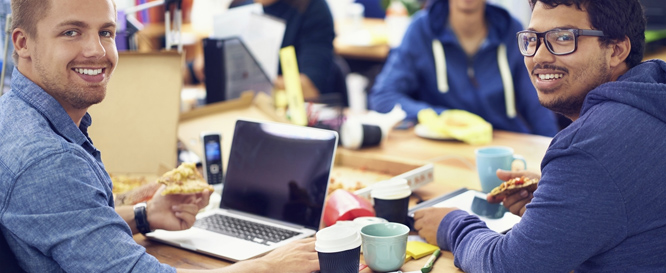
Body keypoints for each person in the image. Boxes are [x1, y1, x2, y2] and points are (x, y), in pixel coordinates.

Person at [0, 0, 319, 272]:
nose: (97, 51)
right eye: (71, 32)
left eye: (106, 33)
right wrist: (268, 266)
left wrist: (144, 214)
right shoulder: (48, 160)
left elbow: (72, 226)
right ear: (22, 43)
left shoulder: (14, 114)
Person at [413, 0, 666, 271]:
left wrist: (452, 224)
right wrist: (558, 196)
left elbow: (510, 266)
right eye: (532, 39)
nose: (539, 56)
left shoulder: (588, 148)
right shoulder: (650, 99)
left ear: (616, 50)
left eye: (563, 38)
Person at [368, 0, 559, 137]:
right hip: (444, 148)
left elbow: (537, 105)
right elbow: (384, 97)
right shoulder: (421, 30)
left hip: (502, 144)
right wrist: (442, 117)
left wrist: (552, 147)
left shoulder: (511, 29)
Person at [189, 0, 342, 102]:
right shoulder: (239, 5)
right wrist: (207, 62)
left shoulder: (311, 8)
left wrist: (251, 82)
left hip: (290, 117)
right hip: (239, 112)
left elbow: (310, 87)